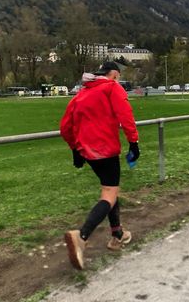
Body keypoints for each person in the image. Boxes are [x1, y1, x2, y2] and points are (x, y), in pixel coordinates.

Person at [60, 61, 140, 270]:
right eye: (119, 76)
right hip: (106, 150)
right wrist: (134, 142)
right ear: (114, 74)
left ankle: (117, 235)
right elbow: (126, 116)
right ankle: (82, 236)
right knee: (109, 193)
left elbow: (65, 127)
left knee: (110, 188)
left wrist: (75, 150)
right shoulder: (112, 88)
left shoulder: (81, 94)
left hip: (88, 152)